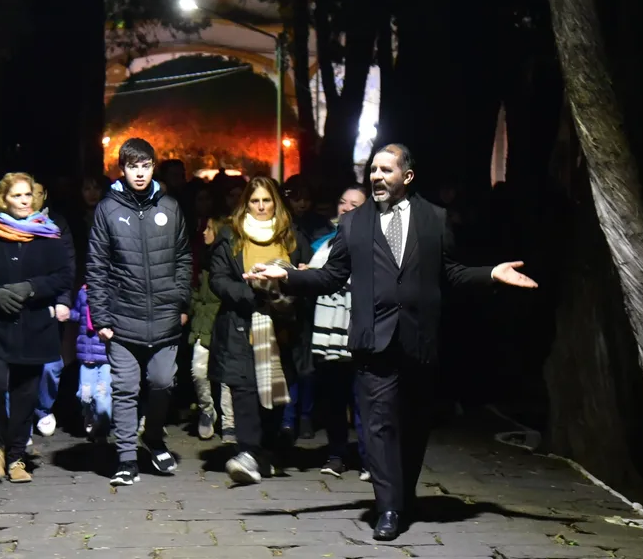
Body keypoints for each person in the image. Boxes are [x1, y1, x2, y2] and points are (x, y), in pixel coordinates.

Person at [247, 144, 537, 540]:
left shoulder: (434, 219)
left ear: (407, 176)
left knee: (414, 427)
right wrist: (287, 277)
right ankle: (387, 508)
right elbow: (331, 277)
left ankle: (403, 495)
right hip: (373, 343)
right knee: (378, 426)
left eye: (386, 170)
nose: (377, 177)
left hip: (419, 341)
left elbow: (450, 273)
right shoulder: (354, 224)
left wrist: (490, 274)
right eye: (373, 170)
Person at [86, 138, 192, 486]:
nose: (140, 172)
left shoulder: (171, 207)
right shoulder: (107, 210)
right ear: (123, 169)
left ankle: (155, 436)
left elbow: (184, 258)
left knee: (162, 382)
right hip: (122, 319)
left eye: (146, 165)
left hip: (164, 316)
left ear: (153, 167)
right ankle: (127, 458)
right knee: (125, 388)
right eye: (134, 166)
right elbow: (97, 267)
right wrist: (101, 318)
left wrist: (181, 301)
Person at [0, 172, 74, 483]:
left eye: (27, 195)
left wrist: (31, 288)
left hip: (34, 325)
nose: (23, 201)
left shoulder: (47, 234)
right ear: (3, 199)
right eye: (16, 196)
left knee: (25, 394)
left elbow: (64, 276)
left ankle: (16, 456)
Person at [208, 176, 312, 485]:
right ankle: (248, 451)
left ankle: (264, 451)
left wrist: (298, 279)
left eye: (267, 200)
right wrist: (250, 292)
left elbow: (308, 272)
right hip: (242, 324)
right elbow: (218, 279)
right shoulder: (230, 236)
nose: (262, 206)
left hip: (282, 328)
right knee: (244, 390)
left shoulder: (291, 236)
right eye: (255, 201)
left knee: (274, 392)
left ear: (276, 202)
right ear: (246, 203)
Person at [306, 185, 370, 479]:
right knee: (334, 399)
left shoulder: (375, 244)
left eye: (354, 204)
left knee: (365, 401)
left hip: (360, 335)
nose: (345, 207)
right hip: (330, 335)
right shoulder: (325, 244)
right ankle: (336, 455)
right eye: (342, 202)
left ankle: (370, 459)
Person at [188, 217, 234, 441]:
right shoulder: (200, 261)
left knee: (227, 376)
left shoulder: (228, 261)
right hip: (203, 325)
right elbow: (196, 293)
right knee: (198, 371)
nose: (204, 232)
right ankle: (207, 410)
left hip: (224, 324)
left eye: (209, 228)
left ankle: (229, 421)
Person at [70, 284, 111, 440]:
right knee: (85, 394)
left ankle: (103, 430)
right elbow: (78, 313)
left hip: (105, 355)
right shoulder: (83, 291)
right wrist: (68, 314)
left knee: (102, 394)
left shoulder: (113, 289)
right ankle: (89, 416)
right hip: (86, 352)